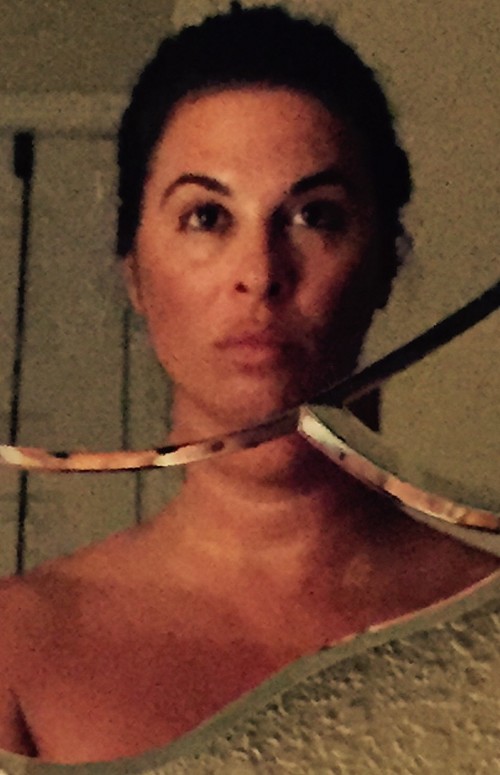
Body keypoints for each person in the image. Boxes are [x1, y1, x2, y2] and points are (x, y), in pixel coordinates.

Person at [0, 3, 497, 764]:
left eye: (314, 216)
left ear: (386, 260)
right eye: (207, 216)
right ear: (134, 268)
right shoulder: (18, 645)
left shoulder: (482, 619)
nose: (260, 274)